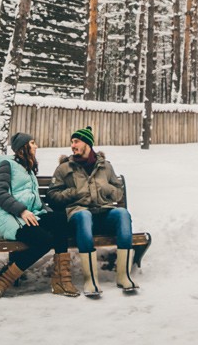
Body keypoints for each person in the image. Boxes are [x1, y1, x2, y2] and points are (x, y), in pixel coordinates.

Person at [47, 126, 139, 296]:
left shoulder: (105, 167)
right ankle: (90, 280)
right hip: (79, 217)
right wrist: (73, 192)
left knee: (122, 214)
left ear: (87, 144)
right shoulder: (64, 168)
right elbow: (52, 196)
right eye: (72, 142)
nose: (72, 145)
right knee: (84, 215)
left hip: (103, 213)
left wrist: (107, 188)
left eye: (76, 141)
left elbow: (118, 192)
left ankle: (123, 276)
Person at [0, 132, 79, 298]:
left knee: (59, 219)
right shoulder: (6, 165)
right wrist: (21, 210)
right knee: (45, 241)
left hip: (29, 216)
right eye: (32, 143)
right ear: (22, 147)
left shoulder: (28, 169)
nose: (36, 146)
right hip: (10, 218)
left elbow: (35, 200)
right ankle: (3, 280)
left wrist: (47, 214)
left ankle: (61, 280)